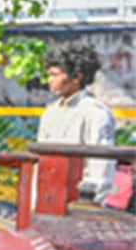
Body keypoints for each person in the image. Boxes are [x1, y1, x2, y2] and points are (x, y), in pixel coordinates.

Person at [37, 41, 117, 202]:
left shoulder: (95, 113)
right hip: (48, 199)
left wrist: (89, 206)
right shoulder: (51, 112)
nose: (48, 80)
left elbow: (101, 167)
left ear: (76, 77)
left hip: (78, 203)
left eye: (54, 75)